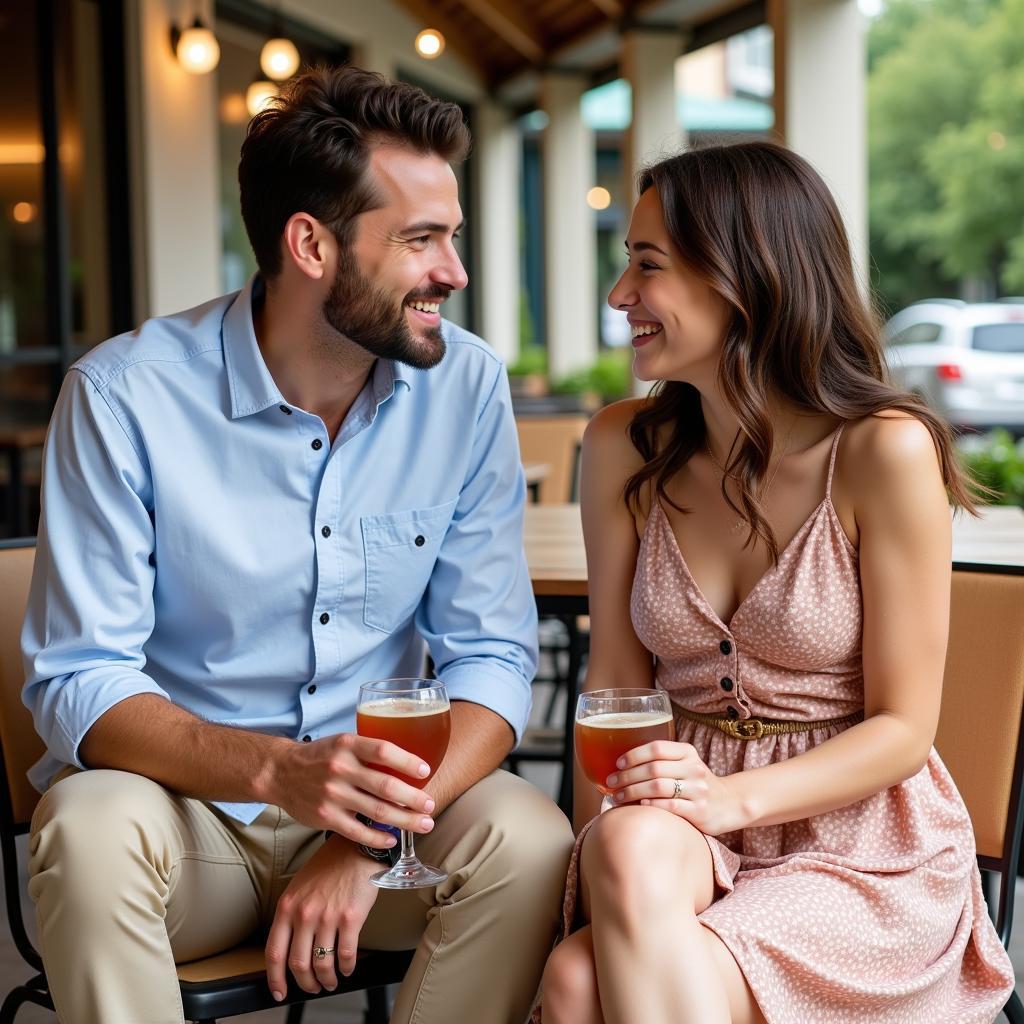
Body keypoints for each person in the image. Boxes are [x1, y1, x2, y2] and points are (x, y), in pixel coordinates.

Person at [22, 65, 573, 1024]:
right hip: (191, 828)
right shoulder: (123, 398)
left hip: (388, 835)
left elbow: (491, 656)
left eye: (454, 237)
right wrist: (283, 775)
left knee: (529, 840)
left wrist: (361, 838)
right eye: (420, 240)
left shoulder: (467, 387)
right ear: (311, 243)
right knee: (86, 823)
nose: (455, 272)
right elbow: (80, 681)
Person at [537, 141, 1015, 1024]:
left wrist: (730, 798)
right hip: (674, 814)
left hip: (860, 843)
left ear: (743, 277)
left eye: (647, 267)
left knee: (575, 987)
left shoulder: (882, 451)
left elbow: (906, 728)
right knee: (618, 868)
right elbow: (611, 684)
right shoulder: (619, 446)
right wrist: (586, 861)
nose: (619, 297)